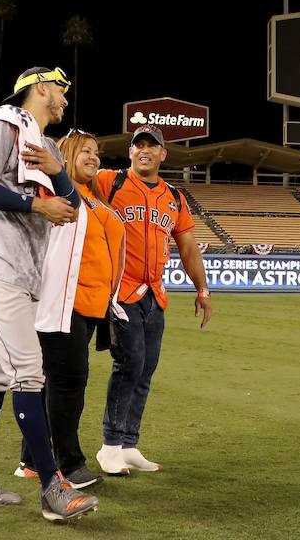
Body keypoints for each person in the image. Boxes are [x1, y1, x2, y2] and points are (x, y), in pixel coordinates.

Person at [0, 66, 99, 521]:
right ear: (39, 88)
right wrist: (36, 202)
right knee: (30, 373)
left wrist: (60, 175)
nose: (65, 100)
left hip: (25, 273)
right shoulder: (2, 123)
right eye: (60, 90)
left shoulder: (49, 146)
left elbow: (74, 209)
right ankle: (53, 488)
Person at [94, 123, 212, 474]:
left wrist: (202, 289)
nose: (144, 150)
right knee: (128, 364)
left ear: (163, 153)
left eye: (152, 146)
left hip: (155, 295)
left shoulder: (174, 197)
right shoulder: (109, 181)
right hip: (120, 291)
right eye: (138, 145)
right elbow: (73, 176)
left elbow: (188, 247)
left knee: (145, 369)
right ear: (130, 152)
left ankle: (129, 443)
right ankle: (110, 445)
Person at [14, 130, 126, 489]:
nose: (94, 158)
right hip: (63, 303)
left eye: (97, 153)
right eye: (86, 152)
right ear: (66, 155)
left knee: (53, 382)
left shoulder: (94, 197)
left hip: (92, 305)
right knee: (69, 385)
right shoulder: (54, 192)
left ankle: (31, 460)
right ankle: (69, 463)